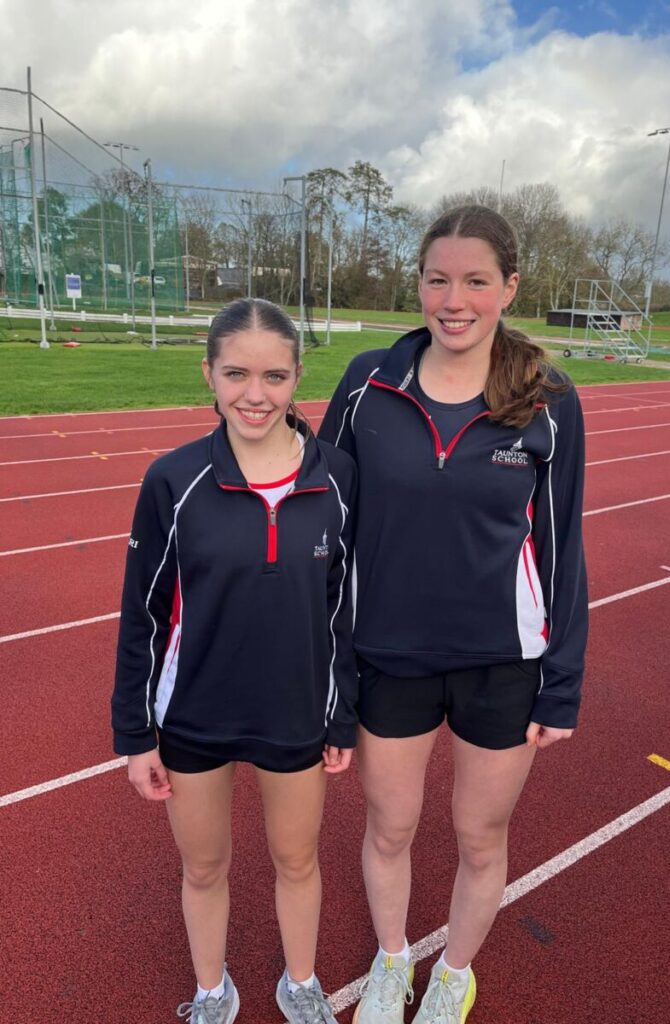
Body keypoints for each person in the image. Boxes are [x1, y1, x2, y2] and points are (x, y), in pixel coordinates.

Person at [319, 205, 588, 1024]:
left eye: (475, 281)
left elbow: (561, 545)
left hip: (501, 664)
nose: (454, 299)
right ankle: (393, 959)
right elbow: (324, 517)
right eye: (438, 280)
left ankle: (454, 975)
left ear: (510, 287)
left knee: (479, 836)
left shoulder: (548, 400)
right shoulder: (368, 383)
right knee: (389, 829)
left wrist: (561, 684)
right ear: (420, 285)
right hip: (388, 655)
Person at [111, 298, 357, 1024]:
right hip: (195, 713)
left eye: (275, 376)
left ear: (298, 376)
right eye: (236, 374)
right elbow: (142, 613)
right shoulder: (173, 479)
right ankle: (212, 991)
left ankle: (299, 983)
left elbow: (345, 608)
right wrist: (134, 734)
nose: (256, 394)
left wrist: (341, 714)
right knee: (204, 866)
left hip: (295, 711)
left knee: (298, 860)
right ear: (209, 375)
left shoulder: (339, 478)